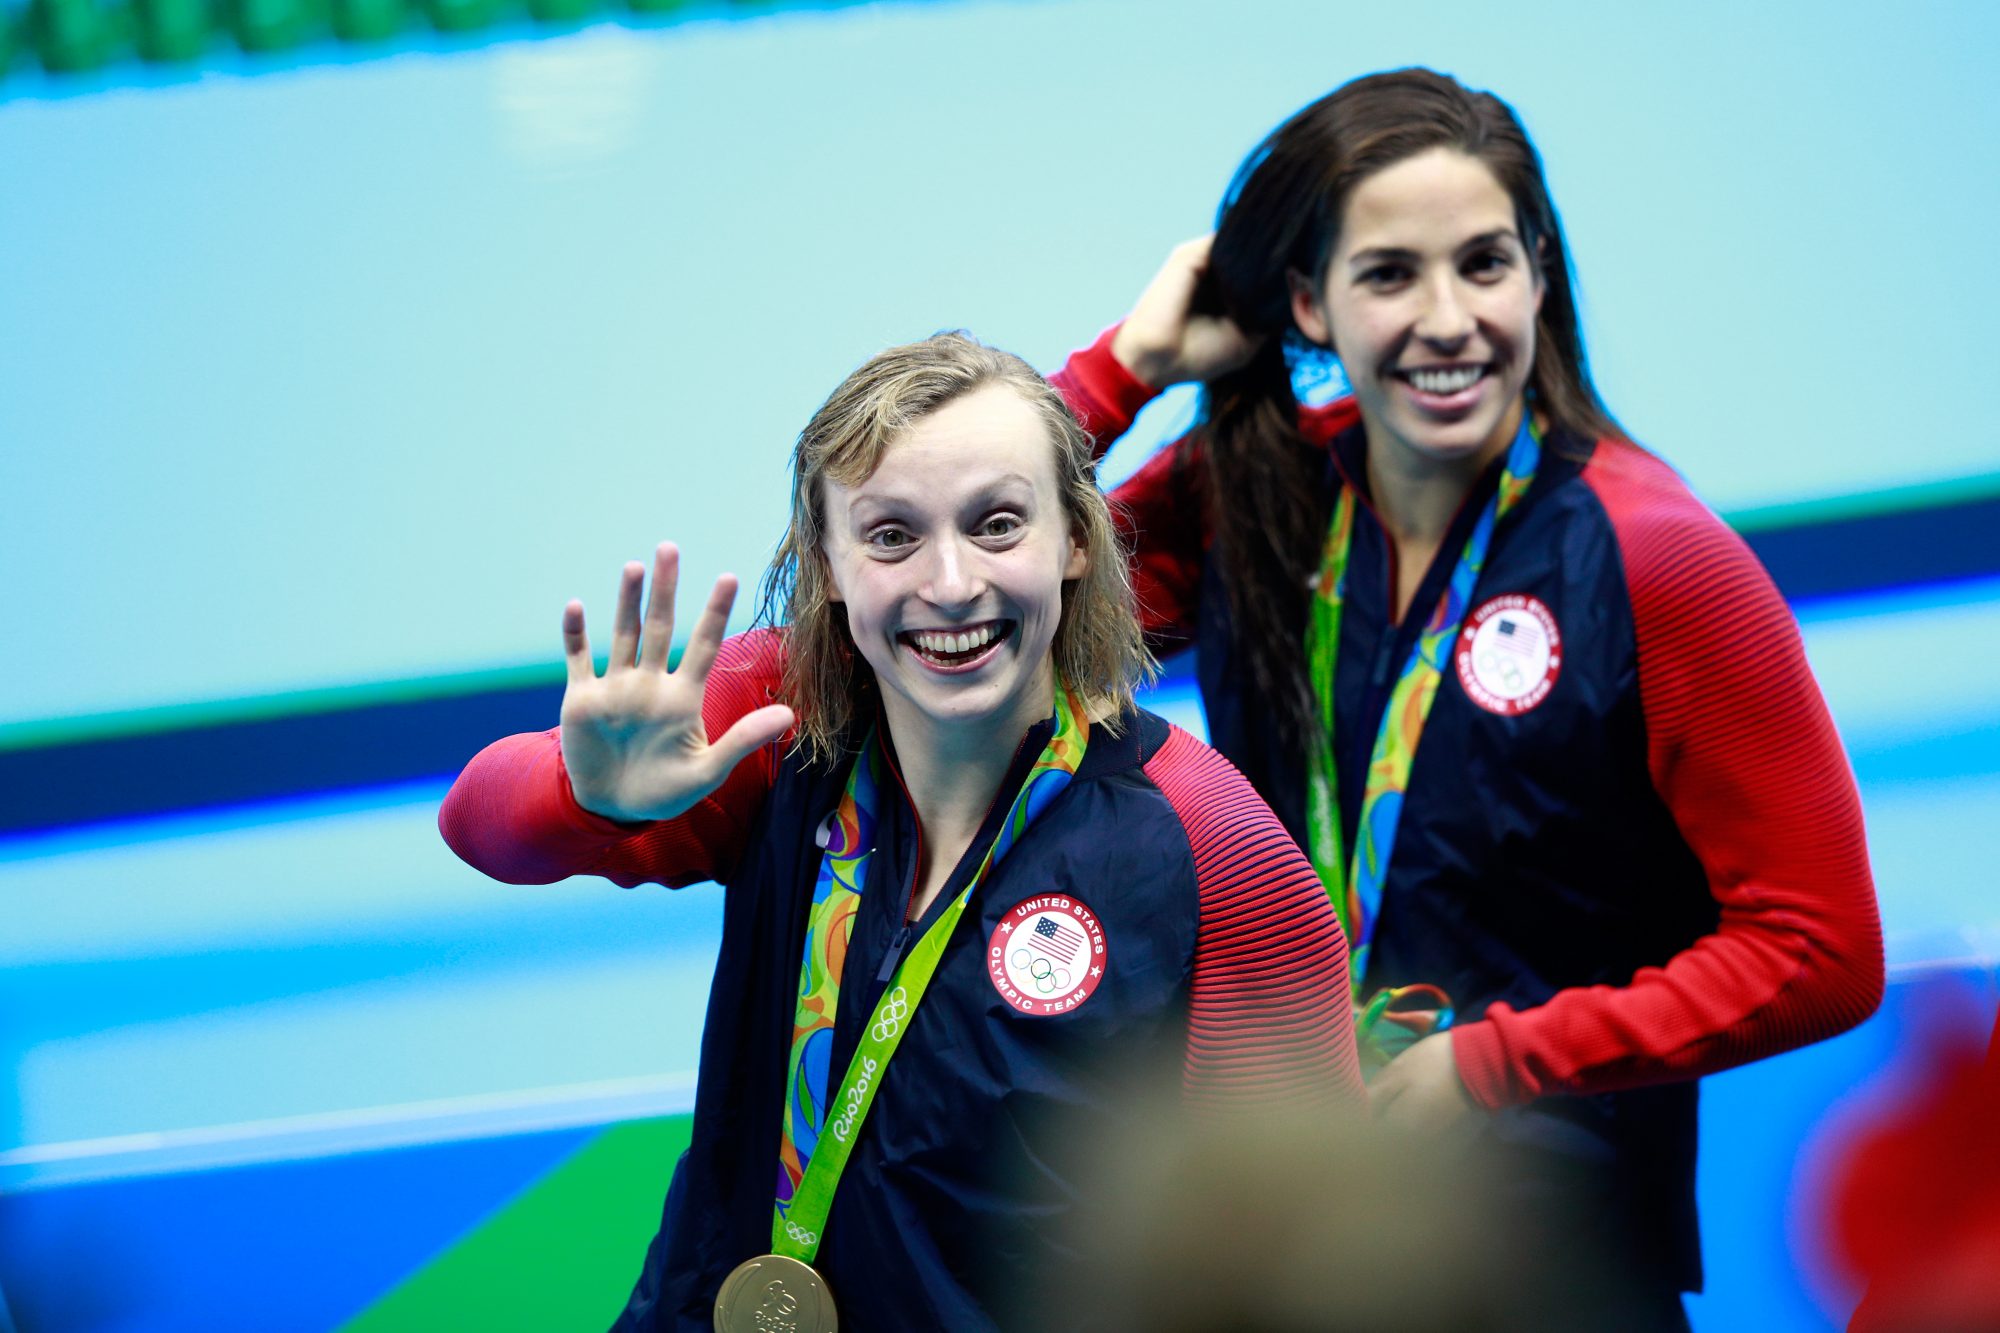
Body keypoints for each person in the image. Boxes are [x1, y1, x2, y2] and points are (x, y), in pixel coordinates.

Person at [1049, 67, 1885, 1325]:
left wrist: (1495, 1065)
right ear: (1304, 305)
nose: (1448, 319)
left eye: (1484, 264)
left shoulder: (1653, 555)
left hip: (1546, 1260)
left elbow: (1820, 951)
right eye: (1388, 274)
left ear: (1537, 279)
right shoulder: (1253, 496)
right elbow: (967, 594)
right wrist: (1123, 366)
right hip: (1285, 1235)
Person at [439, 332, 1363, 1332]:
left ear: (1077, 542)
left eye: (998, 524)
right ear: (828, 565)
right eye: (890, 537)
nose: (951, 582)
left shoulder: (1208, 842)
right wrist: (590, 798)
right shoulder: (779, 729)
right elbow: (480, 825)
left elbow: (1315, 1246)